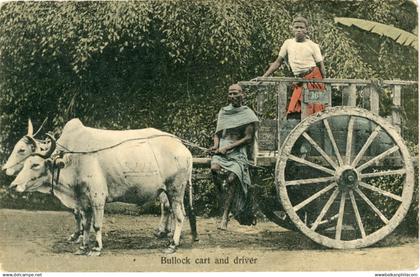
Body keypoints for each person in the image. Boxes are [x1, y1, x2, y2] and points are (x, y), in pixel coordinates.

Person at [208, 83, 259, 230]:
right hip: (222, 151)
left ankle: (224, 217)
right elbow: (218, 133)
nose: (232, 97)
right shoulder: (223, 112)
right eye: (230, 94)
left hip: (238, 152)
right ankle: (228, 201)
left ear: (243, 95)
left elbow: (248, 138)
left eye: (236, 93)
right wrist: (216, 146)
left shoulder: (248, 114)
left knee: (231, 179)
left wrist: (228, 147)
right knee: (214, 169)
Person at [262, 16, 326, 116]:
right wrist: (264, 77)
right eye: (296, 27)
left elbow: (321, 66)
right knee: (295, 107)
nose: (299, 30)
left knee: (315, 109)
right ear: (292, 29)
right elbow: (277, 62)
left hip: (313, 77)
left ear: (306, 30)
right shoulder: (288, 43)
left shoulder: (313, 45)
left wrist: (324, 83)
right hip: (299, 79)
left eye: (302, 27)